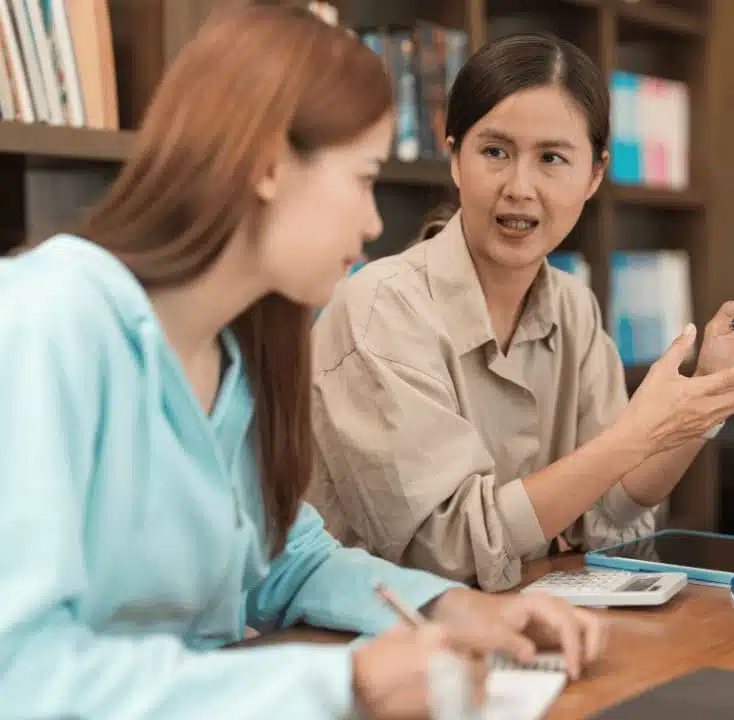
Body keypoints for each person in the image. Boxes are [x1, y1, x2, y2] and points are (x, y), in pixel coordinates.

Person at [0, 8, 604, 719]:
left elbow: (289, 560)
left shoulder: (240, 351)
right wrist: (344, 685)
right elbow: (21, 675)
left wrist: (454, 608)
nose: (375, 222)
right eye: (362, 178)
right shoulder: (45, 322)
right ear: (267, 166)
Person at [307, 32, 734, 592]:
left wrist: (709, 392)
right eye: (495, 152)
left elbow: (616, 502)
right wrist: (634, 436)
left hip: (515, 623)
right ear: (454, 157)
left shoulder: (572, 304)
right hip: (377, 641)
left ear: (595, 176)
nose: (519, 187)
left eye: (552, 158)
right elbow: (449, 550)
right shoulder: (380, 309)